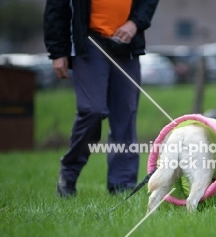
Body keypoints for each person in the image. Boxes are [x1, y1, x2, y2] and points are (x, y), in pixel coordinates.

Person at [44, 0, 160, 197]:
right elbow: (57, 6)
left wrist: (135, 23)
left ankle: (122, 184)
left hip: (126, 43)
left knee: (125, 113)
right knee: (92, 110)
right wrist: (58, 51)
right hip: (90, 41)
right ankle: (68, 173)